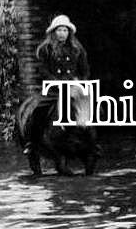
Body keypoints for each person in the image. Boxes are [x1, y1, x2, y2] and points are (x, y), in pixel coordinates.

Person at [23, 14, 91, 153]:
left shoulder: (77, 49)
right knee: (38, 109)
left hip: (73, 87)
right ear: (54, 32)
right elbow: (43, 70)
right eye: (59, 30)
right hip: (54, 89)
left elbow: (84, 69)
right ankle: (32, 142)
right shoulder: (45, 49)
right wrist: (55, 81)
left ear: (69, 32)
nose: (62, 34)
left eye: (65, 30)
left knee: (93, 108)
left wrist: (81, 81)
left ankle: (92, 143)